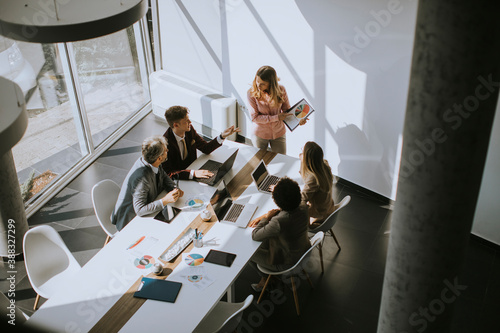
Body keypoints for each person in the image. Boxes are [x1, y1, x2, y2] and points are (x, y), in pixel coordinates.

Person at [248, 177, 311, 291]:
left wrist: (266, 217)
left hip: (287, 262)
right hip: (304, 250)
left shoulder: (279, 221)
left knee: (248, 252)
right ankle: (267, 279)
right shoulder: (303, 205)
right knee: (266, 241)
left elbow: (255, 235)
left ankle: (267, 278)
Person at [111, 135, 184, 231]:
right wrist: (165, 200)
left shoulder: (151, 161)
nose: (168, 151)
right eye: (166, 150)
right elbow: (140, 210)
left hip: (149, 204)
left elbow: (164, 177)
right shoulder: (141, 178)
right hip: (130, 220)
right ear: (159, 158)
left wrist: (174, 188)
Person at [161, 105, 240, 180]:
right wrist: (193, 173)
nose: (190, 122)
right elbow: (168, 173)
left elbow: (206, 148)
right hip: (181, 179)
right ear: (176, 125)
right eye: (186, 120)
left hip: (195, 170)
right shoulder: (164, 144)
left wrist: (222, 136)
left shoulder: (189, 130)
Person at [247, 65, 306, 154]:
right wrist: (276, 117)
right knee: (260, 163)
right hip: (260, 134)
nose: (258, 85)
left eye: (263, 83)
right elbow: (255, 117)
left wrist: (298, 120)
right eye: (257, 81)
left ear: (271, 83)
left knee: (282, 160)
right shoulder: (251, 93)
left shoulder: (281, 90)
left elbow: (287, 111)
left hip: (279, 133)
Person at [300, 141, 336, 227]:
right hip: (328, 209)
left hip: (318, 216)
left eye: (302, 152)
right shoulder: (324, 165)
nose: (301, 153)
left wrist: (280, 191)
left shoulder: (313, 178)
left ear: (307, 160)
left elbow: (302, 200)